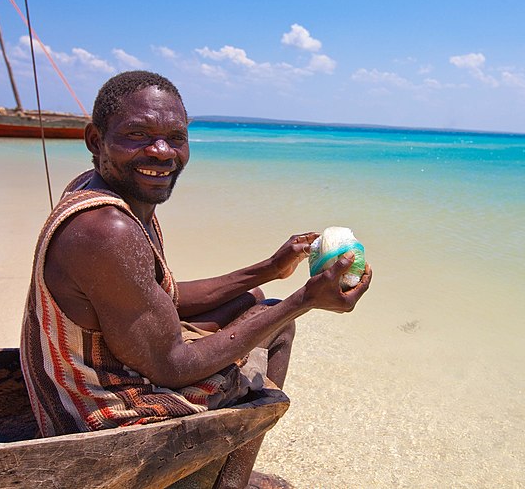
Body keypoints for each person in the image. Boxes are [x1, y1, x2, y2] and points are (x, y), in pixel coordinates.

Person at [20, 70, 372, 488]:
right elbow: (172, 366)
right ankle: (229, 483)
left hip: (104, 367)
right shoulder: (106, 229)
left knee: (258, 299)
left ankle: (218, 471)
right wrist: (304, 299)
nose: (162, 151)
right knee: (278, 324)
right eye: (137, 134)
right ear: (96, 140)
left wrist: (268, 270)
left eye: (176, 137)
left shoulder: (105, 192)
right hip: (96, 412)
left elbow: (157, 297)